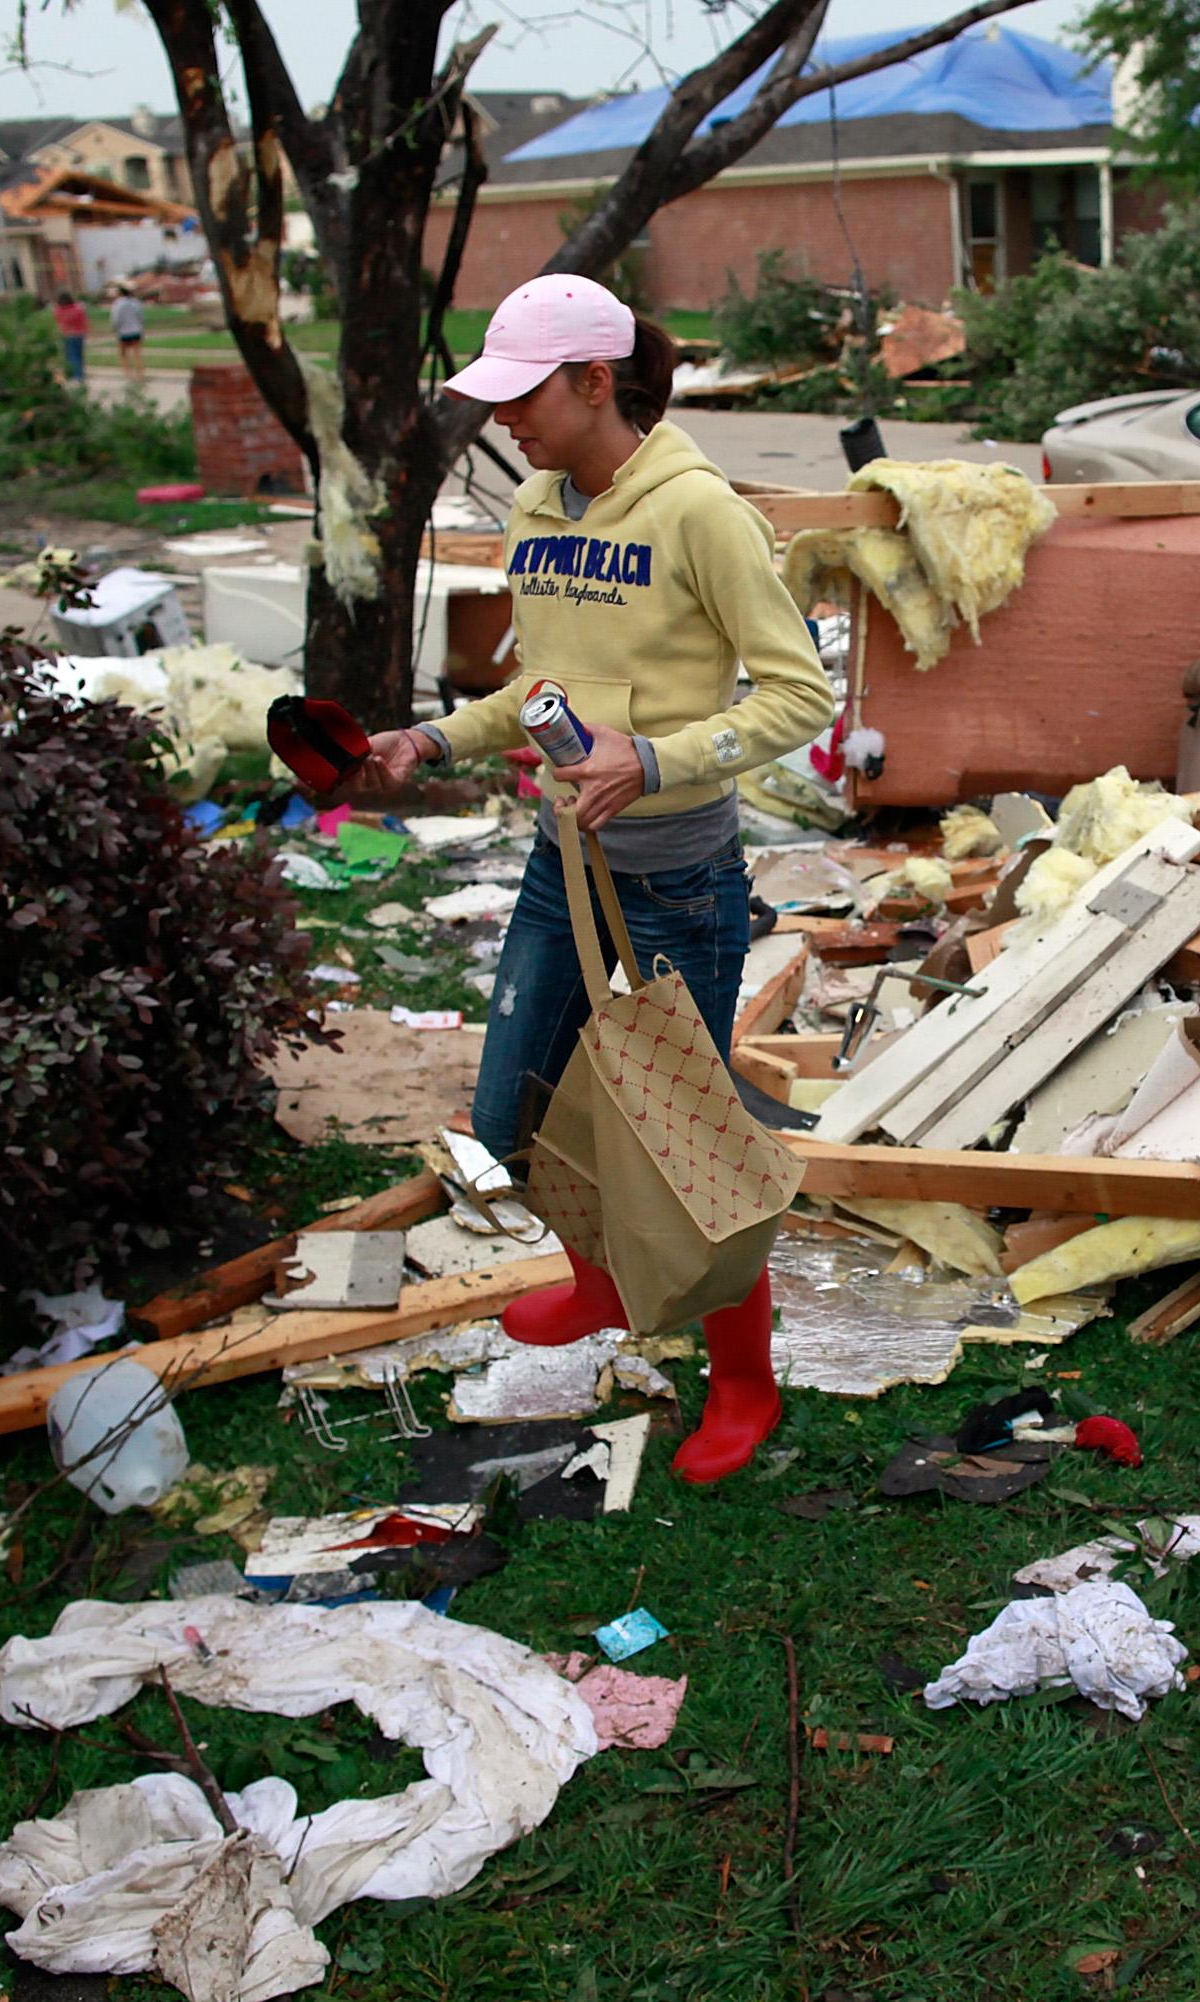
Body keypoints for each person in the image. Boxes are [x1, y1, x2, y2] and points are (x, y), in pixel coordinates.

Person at [354, 275, 834, 1484]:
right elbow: (542, 687)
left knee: (691, 1146)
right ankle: (601, 1283)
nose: (506, 417)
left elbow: (801, 695)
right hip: (560, 867)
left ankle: (743, 1382)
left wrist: (661, 757)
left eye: (525, 394)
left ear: (592, 383)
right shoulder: (533, 502)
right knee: (516, 1110)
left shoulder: (702, 515)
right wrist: (437, 739)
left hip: (681, 881)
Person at [109, 286, 148, 383]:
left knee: (123, 354)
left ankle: (128, 374)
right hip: (136, 331)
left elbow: (116, 319)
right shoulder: (136, 303)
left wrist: (114, 328)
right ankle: (140, 373)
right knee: (137, 354)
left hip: (124, 332)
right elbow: (141, 317)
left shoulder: (117, 304)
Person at [52, 290, 89, 385]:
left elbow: (57, 322)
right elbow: (83, 321)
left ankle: (74, 374)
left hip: (67, 335)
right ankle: (80, 374)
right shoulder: (78, 309)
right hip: (79, 334)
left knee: (70, 356)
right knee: (79, 355)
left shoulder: (58, 310)